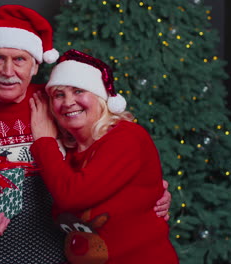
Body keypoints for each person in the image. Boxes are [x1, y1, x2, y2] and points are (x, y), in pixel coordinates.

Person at [0, 5, 171, 264]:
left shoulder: (57, 104)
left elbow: (103, 160)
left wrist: (150, 192)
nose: (8, 71)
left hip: (63, 257)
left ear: (35, 65)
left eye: (19, 59)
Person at [29, 49, 179, 263]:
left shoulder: (126, 137)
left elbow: (72, 196)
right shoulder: (68, 153)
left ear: (100, 97)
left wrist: (43, 142)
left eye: (79, 91)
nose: (68, 102)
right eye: (59, 95)